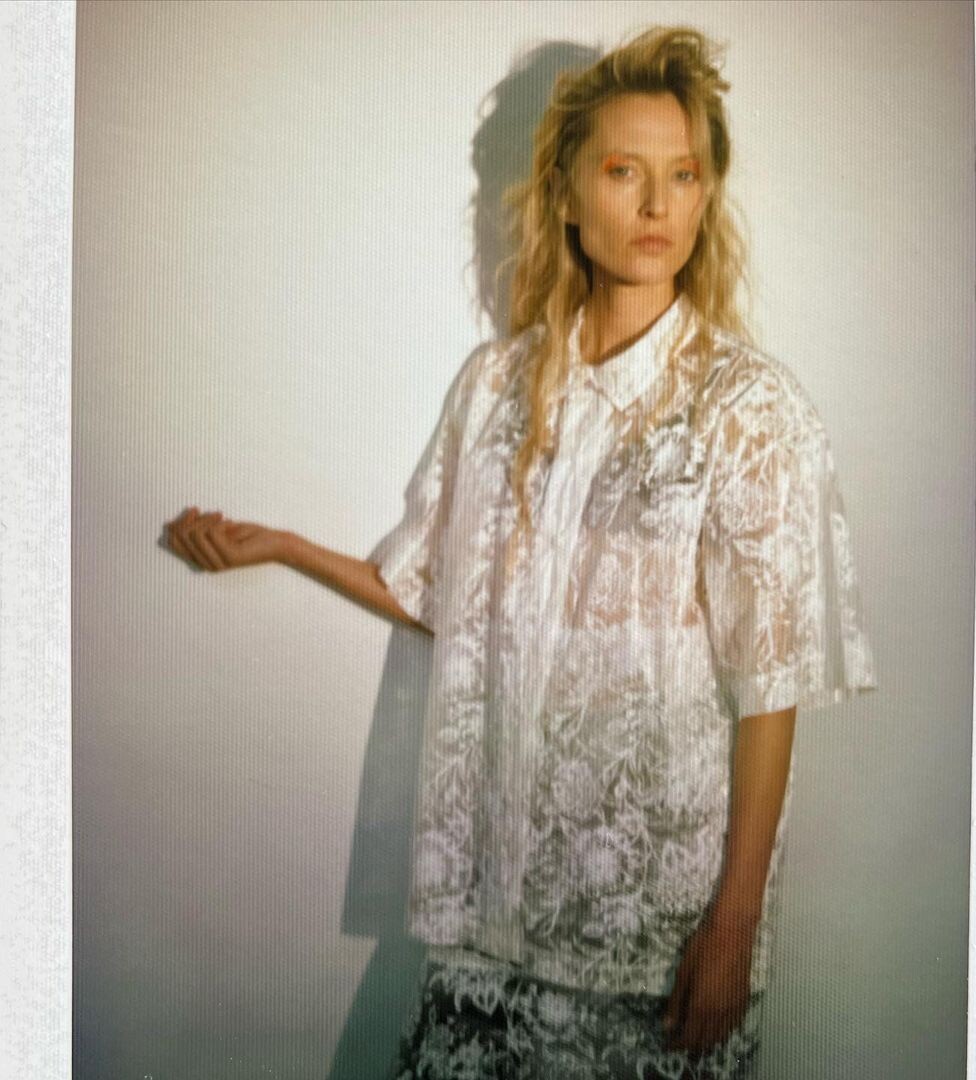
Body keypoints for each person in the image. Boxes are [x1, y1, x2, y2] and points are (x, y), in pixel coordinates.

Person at [165, 25, 877, 1080]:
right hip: (493, 926)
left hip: (656, 946)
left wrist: (734, 926)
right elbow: (442, 592)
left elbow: (770, 680)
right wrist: (279, 546)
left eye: (684, 175)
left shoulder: (749, 410)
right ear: (567, 193)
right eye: (625, 171)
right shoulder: (496, 387)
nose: (657, 204)